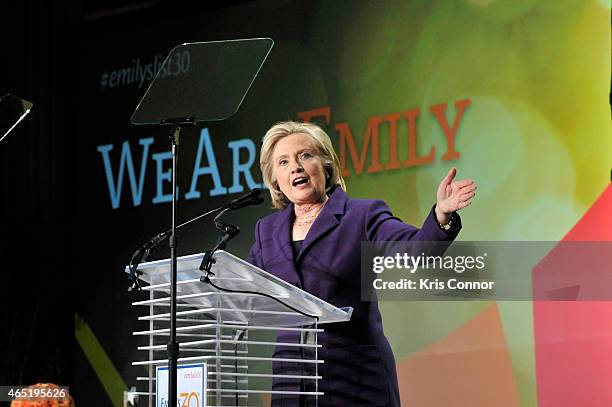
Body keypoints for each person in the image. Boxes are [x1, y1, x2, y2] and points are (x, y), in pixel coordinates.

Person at [247, 121, 476, 406]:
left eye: (305, 156)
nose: (295, 167)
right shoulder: (266, 231)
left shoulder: (361, 215)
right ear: (275, 179)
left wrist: (441, 214)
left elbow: (417, 251)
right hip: (292, 383)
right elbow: (244, 291)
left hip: (354, 378)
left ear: (326, 164)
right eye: (283, 162)